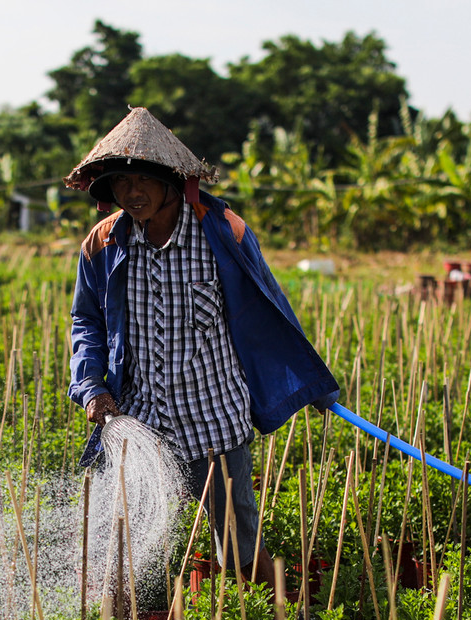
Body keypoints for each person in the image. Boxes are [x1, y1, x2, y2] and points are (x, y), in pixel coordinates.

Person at [65, 108, 339, 580]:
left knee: (238, 542)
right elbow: (86, 319)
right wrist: (90, 385)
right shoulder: (103, 243)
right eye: (118, 183)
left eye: (142, 181)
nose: (130, 194)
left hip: (215, 415)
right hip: (141, 420)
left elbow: (268, 304)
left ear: (174, 179)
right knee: (126, 545)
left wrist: (310, 383)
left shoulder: (222, 231)